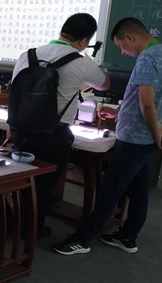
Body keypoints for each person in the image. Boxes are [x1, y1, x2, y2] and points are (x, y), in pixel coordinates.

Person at [54, 17, 162, 256]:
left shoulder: (147, 59)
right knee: (138, 191)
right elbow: (143, 103)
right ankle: (128, 236)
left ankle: (82, 239)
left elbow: (147, 104)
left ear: (130, 37)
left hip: (134, 139)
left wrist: (156, 131)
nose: (123, 52)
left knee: (110, 190)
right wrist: (119, 113)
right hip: (143, 139)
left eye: (121, 46)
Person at [10, 13, 110, 239]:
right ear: (84, 41)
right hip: (53, 135)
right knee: (45, 184)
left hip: (21, 130)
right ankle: (32, 230)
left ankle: (16, 220)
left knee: (21, 176)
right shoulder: (81, 61)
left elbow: (15, 91)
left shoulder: (28, 54)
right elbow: (104, 85)